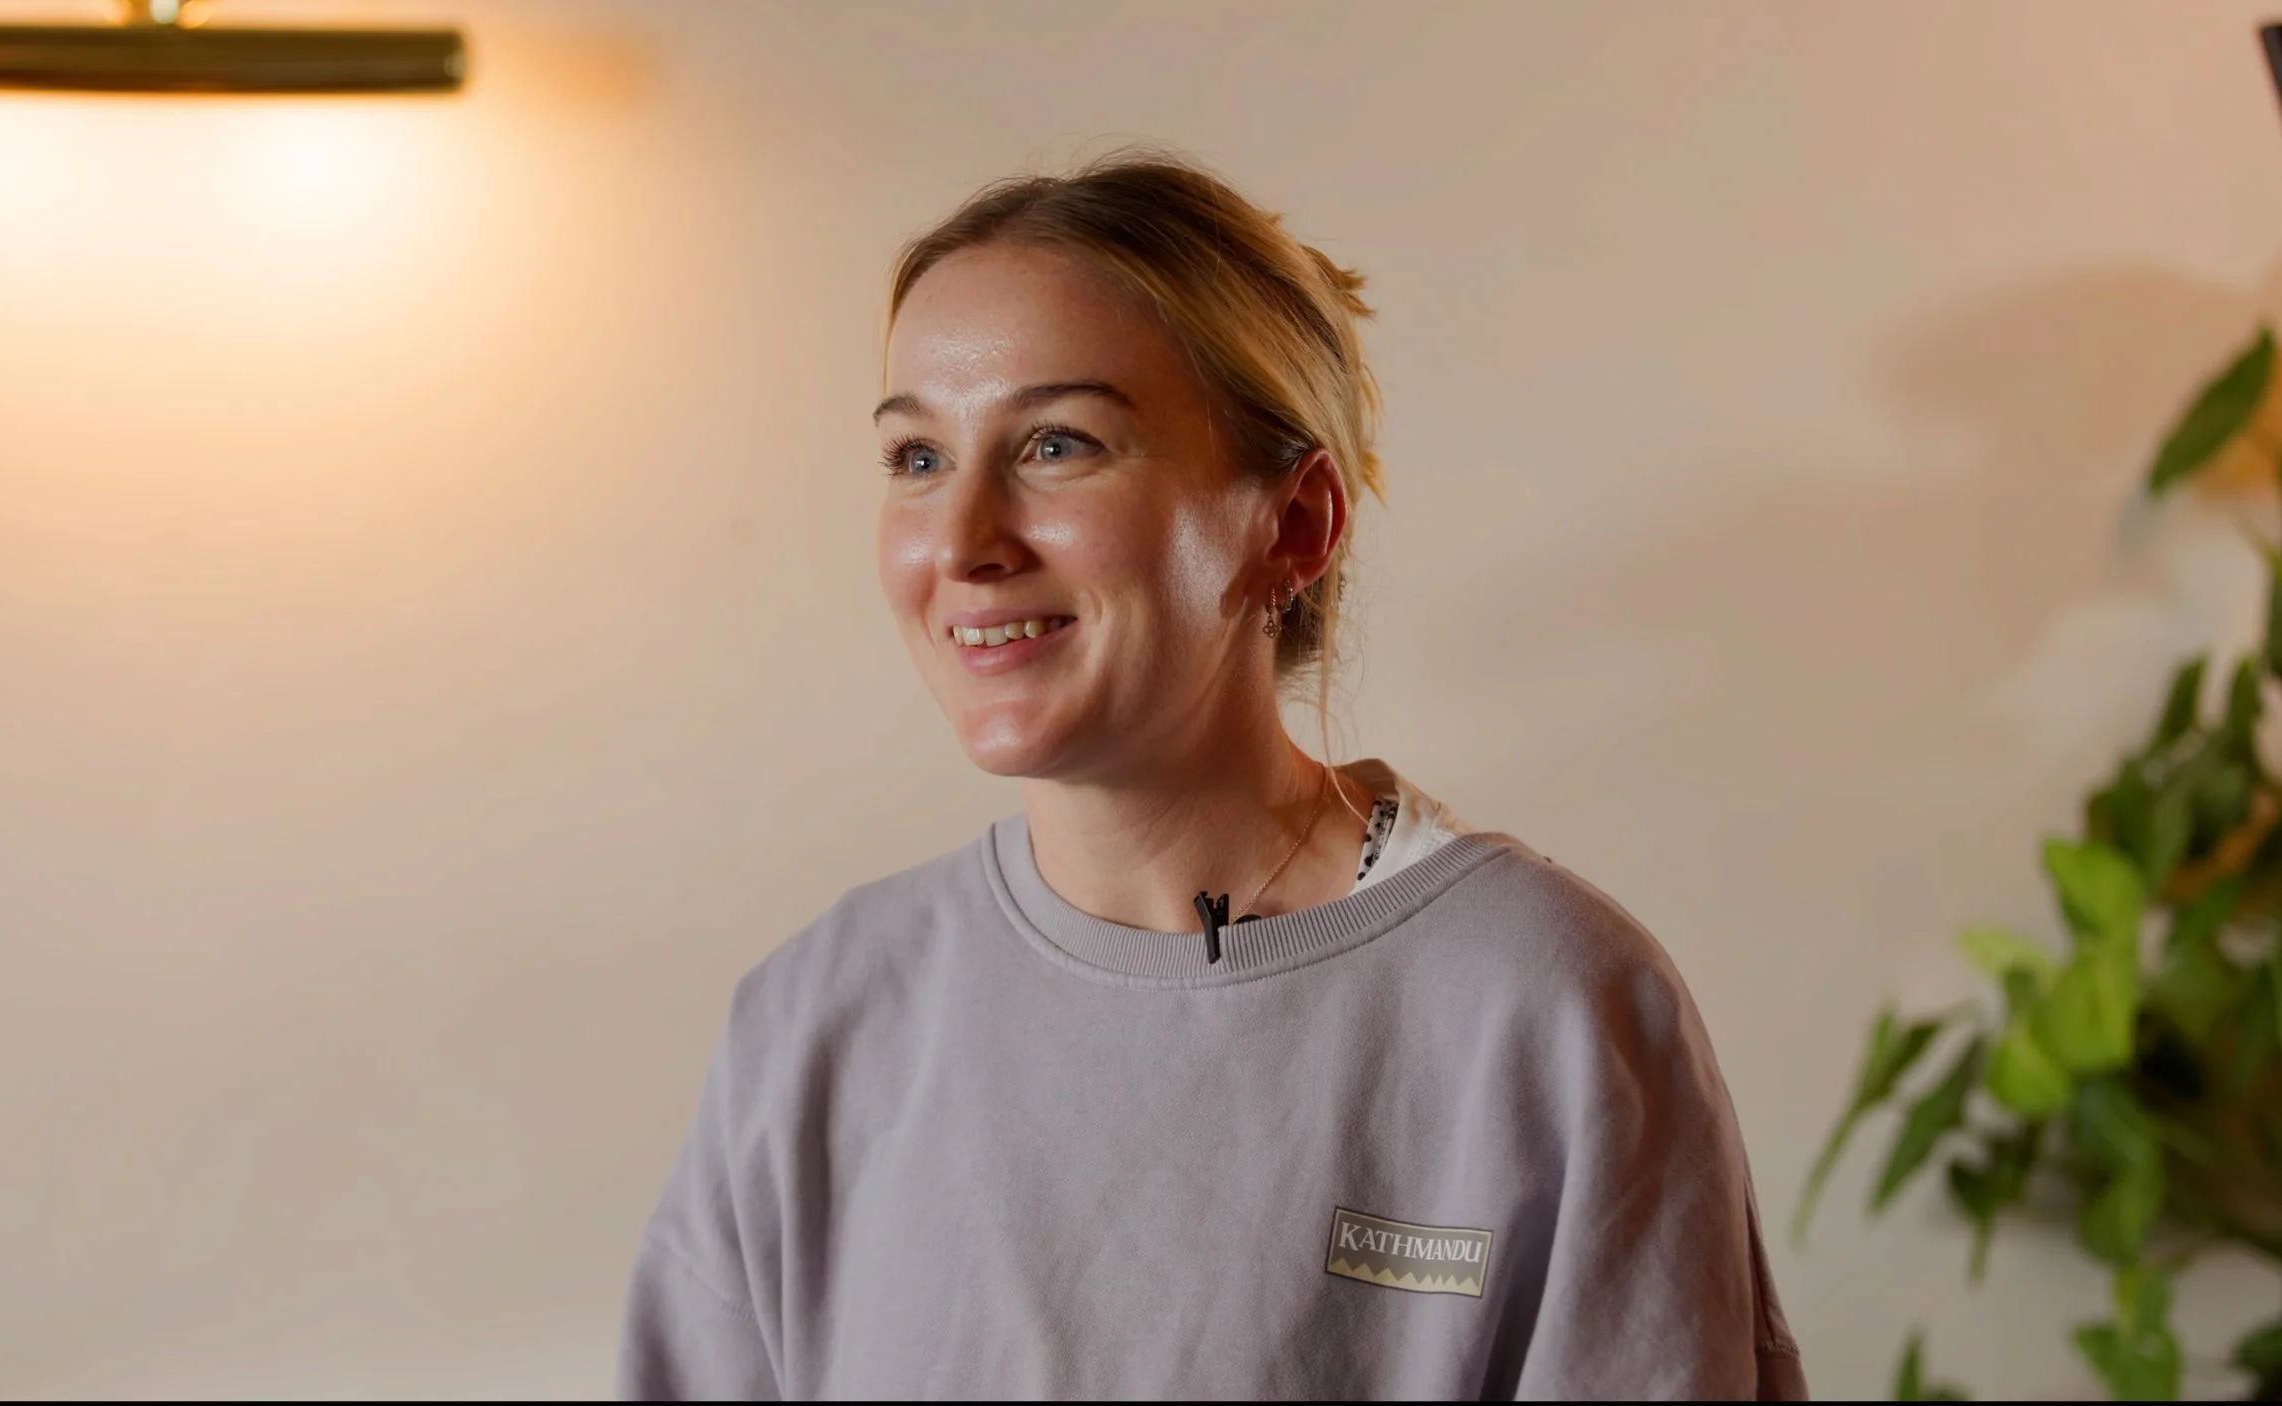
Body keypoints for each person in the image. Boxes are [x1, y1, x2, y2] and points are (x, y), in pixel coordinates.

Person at [615, 151, 1806, 1401]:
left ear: (1293, 523)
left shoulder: (1547, 1004)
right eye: (916, 458)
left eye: (1058, 444)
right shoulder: (813, 1019)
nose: (961, 541)